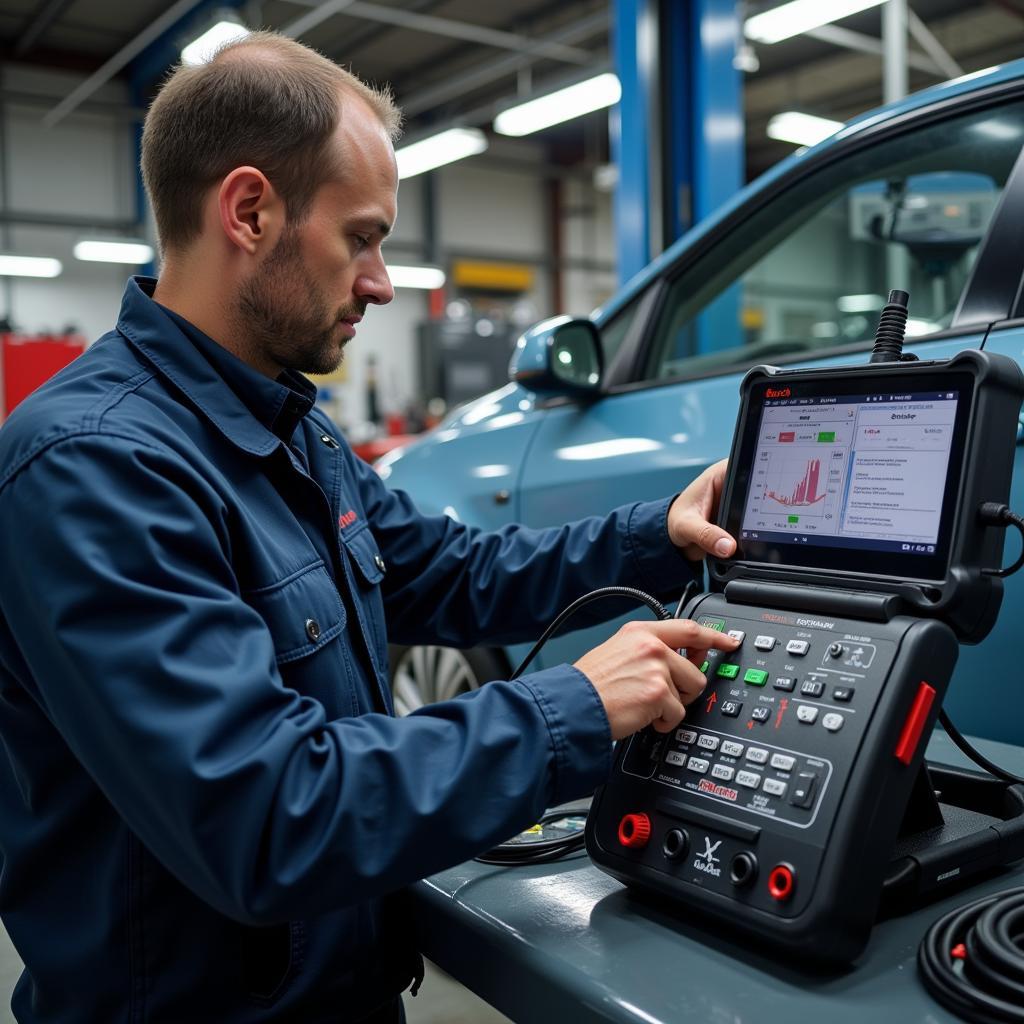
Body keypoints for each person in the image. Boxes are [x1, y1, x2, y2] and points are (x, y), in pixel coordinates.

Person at [0, 32, 739, 1024]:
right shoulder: (93, 468)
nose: (383, 281)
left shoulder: (288, 428)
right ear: (250, 211)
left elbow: (455, 574)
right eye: (360, 237)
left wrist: (665, 531)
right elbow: (265, 816)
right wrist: (572, 707)